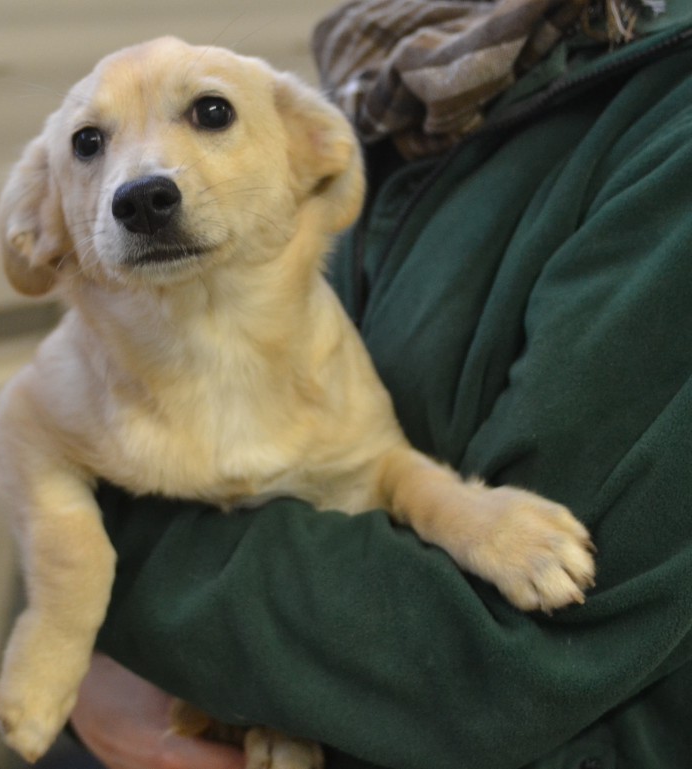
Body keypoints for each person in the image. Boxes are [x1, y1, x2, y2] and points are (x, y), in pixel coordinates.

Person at [67, 0, 692, 766]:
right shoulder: (382, 95)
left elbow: (507, 650)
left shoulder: (665, 123)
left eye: (207, 113)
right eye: (92, 143)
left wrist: (105, 581)